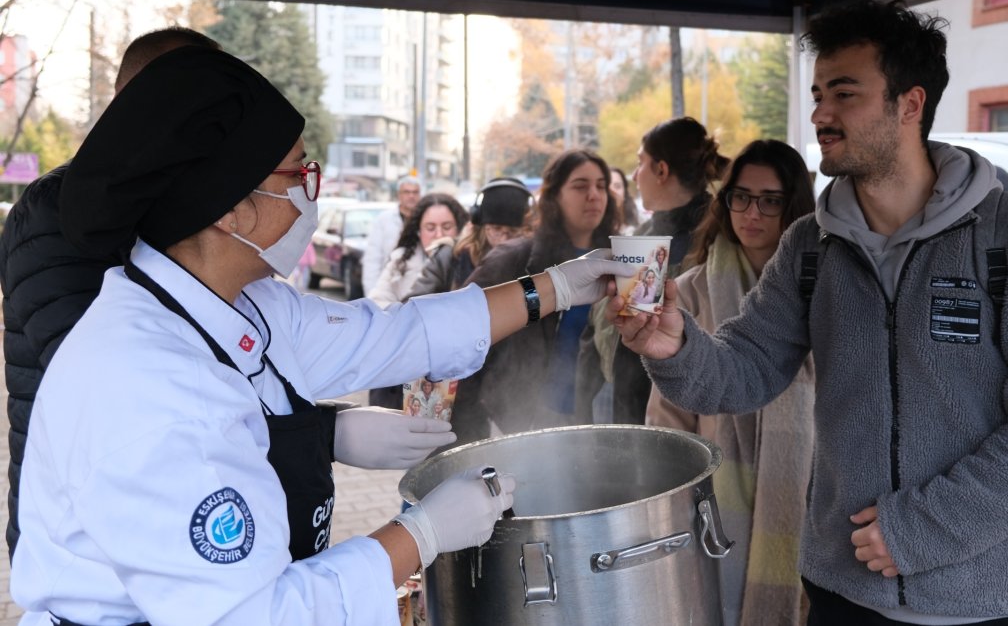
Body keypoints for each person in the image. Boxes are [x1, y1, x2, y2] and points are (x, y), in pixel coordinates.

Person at [11, 47, 631, 625]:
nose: (315, 191)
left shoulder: (239, 304)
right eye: (299, 173)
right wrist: (422, 534)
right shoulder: (153, 387)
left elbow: (394, 334)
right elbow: (256, 616)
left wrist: (555, 287)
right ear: (230, 208)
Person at [613, 0, 1008, 626]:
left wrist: (923, 528)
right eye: (818, 94)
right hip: (844, 592)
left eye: (844, 93)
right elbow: (747, 368)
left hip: (988, 597)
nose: (820, 114)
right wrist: (676, 348)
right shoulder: (810, 245)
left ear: (910, 104)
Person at [0, 26, 222, 561]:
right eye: (182, 94)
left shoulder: (183, 208)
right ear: (127, 102)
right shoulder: (55, 210)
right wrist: (318, 431)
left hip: (172, 506)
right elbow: (115, 383)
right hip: (80, 531)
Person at [645, 139, 816, 626]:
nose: (751, 212)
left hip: (807, 498)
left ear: (795, 207)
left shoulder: (826, 292)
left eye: (770, 200)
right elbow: (668, 420)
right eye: (740, 196)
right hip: (714, 508)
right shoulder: (694, 287)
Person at [454, 149, 618, 439]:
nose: (594, 195)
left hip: (595, 423)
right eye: (580, 186)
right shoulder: (514, 259)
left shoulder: (620, 263)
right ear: (553, 196)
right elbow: (463, 332)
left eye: (601, 185)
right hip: (520, 422)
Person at [578, 116, 729, 425]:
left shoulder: (715, 246)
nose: (634, 175)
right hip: (628, 418)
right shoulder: (643, 239)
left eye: (640, 163)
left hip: (682, 423)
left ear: (661, 170)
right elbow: (597, 339)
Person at [405, 177, 533, 300]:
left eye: (513, 232)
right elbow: (412, 308)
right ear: (480, 225)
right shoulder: (450, 257)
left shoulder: (534, 261)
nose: (504, 239)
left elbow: (540, 309)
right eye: (496, 229)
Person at [367, 193, 468, 307]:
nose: (439, 235)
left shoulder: (469, 260)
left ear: (459, 229)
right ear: (418, 231)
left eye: (447, 227)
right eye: (430, 228)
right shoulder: (400, 260)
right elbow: (378, 303)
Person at [362, 175, 422, 293]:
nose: (411, 196)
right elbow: (373, 259)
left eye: (415, 192)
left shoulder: (426, 220)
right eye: (407, 192)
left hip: (417, 287)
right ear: (399, 195)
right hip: (388, 286)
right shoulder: (384, 220)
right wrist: (371, 292)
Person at [610, 167, 640, 234]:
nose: (612, 192)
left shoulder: (640, 221)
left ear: (625, 192)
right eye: (607, 187)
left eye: (617, 186)